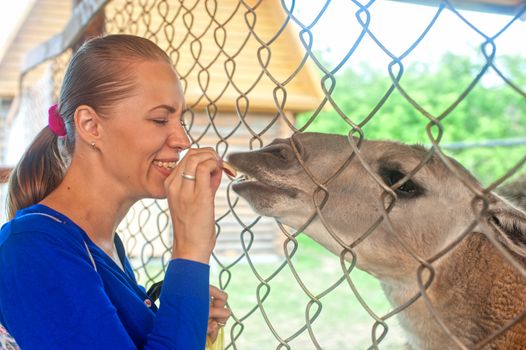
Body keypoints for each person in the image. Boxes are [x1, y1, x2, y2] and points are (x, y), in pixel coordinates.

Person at [0, 34, 231, 349]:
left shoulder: (105, 246)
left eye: (179, 120)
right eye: (160, 119)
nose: (182, 140)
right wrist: (190, 250)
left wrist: (186, 314)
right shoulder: (31, 248)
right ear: (91, 125)